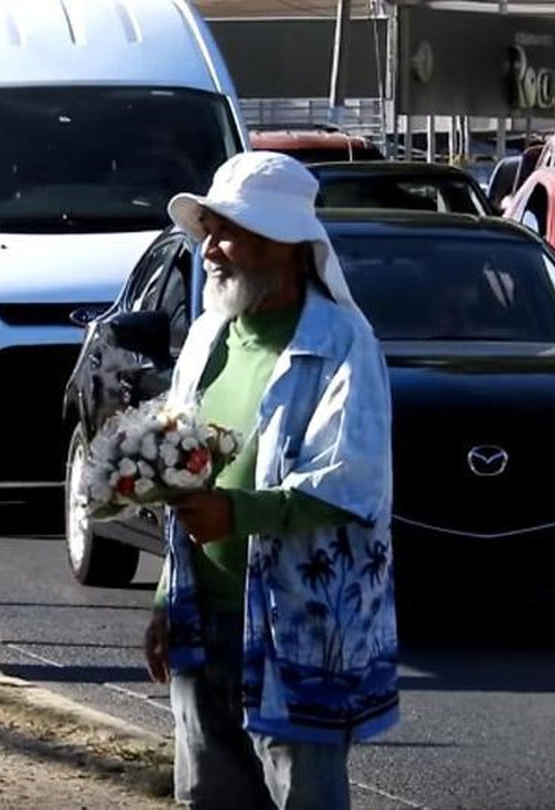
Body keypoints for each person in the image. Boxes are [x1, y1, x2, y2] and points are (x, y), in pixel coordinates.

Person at [144, 151, 399, 809]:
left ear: (286, 245)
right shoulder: (208, 337)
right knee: (211, 793)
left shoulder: (343, 341)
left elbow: (352, 479)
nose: (210, 250)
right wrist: (164, 599)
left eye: (228, 231)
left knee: (304, 796)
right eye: (207, 231)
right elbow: (178, 469)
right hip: (205, 617)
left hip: (301, 631)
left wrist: (238, 513)